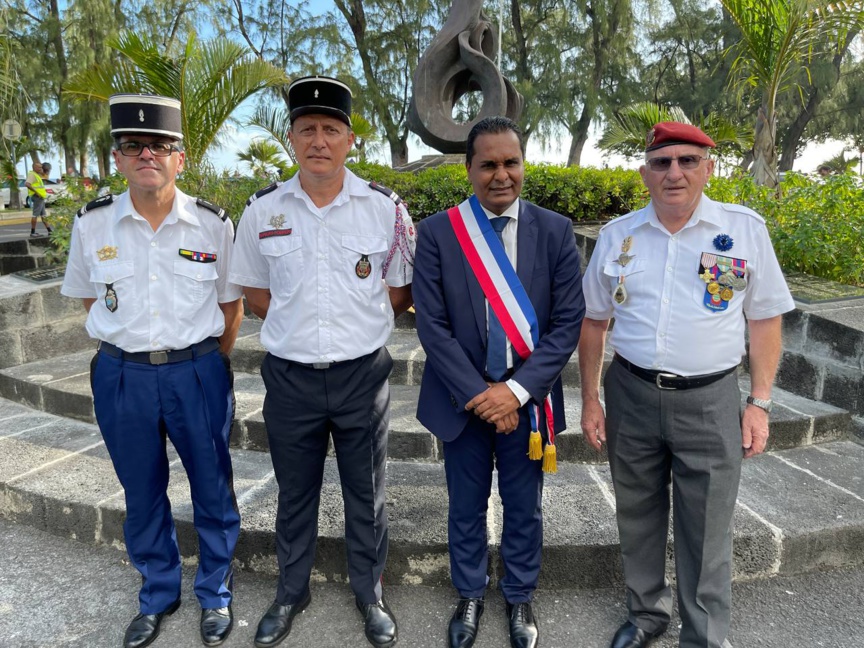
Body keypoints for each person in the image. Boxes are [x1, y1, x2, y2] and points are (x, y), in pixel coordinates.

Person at [578, 122, 795, 648]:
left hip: (710, 399)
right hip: (630, 393)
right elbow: (593, 322)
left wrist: (759, 403)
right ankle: (647, 614)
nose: (674, 172)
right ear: (644, 172)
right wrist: (590, 398)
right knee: (637, 513)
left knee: (707, 527)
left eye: (687, 161)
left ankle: (702, 635)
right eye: (661, 162)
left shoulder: (743, 231)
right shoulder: (617, 236)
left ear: (708, 168)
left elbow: (764, 320)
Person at [229, 75, 415, 648]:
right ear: (291, 138)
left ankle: (370, 590)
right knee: (295, 491)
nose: (318, 140)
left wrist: (352, 329)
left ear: (350, 139)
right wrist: (303, 328)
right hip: (290, 379)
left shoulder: (386, 210)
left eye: (330, 129)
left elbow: (400, 290)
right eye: (306, 129)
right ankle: (291, 590)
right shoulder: (262, 210)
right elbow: (255, 294)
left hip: (362, 377)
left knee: (368, 491)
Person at [60, 93, 244, 648]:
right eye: (133, 146)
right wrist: (130, 349)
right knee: (141, 491)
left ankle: (215, 592)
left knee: (213, 487)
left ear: (180, 158)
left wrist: (210, 361)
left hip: (196, 372)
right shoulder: (92, 225)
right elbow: (90, 301)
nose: (147, 155)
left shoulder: (212, 224)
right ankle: (158, 592)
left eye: (160, 145)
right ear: (117, 158)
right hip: (122, 377)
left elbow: (230, 305)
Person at [413, 116, 585, 648]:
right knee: (464, 504)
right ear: (468, 169)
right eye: (487, 164)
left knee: (523, 505)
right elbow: (432, 326)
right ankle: (468, 593)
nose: (500, 174)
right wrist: (481, 395)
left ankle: (519, 595)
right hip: (461, 401)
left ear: (523, 165)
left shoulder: (554, 231)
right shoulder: (439, 232)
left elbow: (567, 324)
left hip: (527, 407)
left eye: (510, 162)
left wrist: (513, 392)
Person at [25, 161, 51, 237]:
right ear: (34, 167)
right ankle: (32, 232)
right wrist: (36, 192)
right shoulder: (32, 175)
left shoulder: (36, 175)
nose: (40, 168)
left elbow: (45, 175)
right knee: (35, 215)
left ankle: (49, 231)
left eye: (41, 167)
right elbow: (27, 184)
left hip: (40, 197)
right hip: (37, 197)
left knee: (43, 215)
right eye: (39, 167)